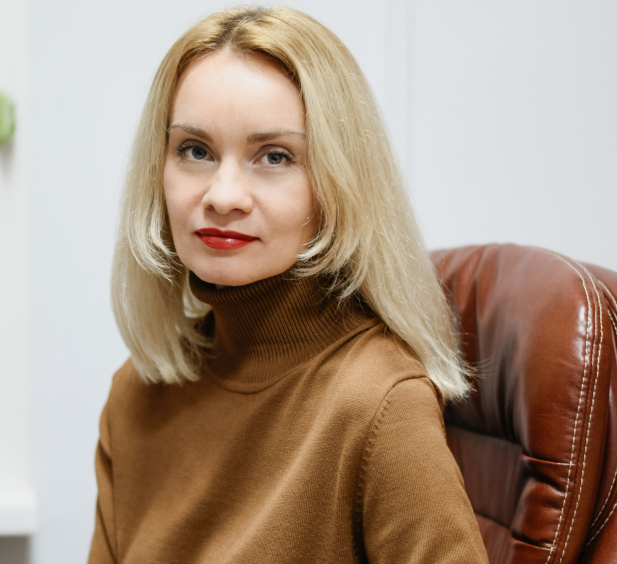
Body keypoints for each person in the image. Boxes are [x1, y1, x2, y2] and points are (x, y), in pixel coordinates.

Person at [89, 6, 488, 563]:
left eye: (274, 156)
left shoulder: (379, 403)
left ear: (336, 183)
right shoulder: (137, 393)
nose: (223, 195)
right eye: (195, 150)